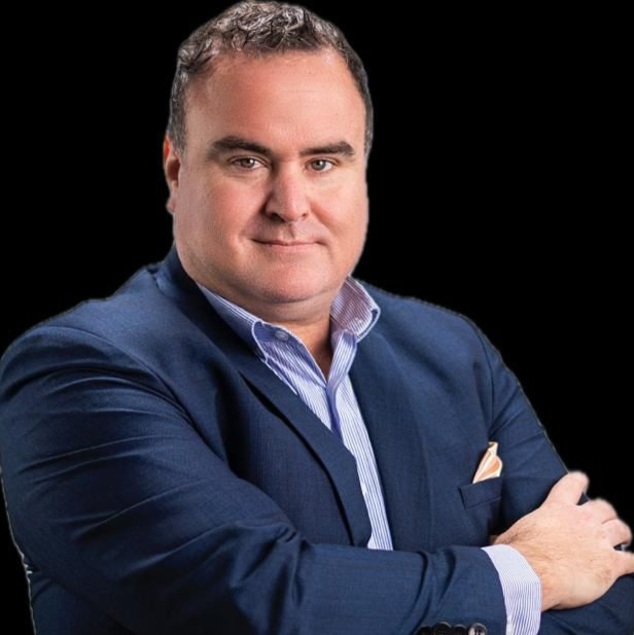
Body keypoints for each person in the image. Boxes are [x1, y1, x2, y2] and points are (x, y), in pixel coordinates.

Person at [0, 2, 632, 634]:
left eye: (323, 162)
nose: (291, 204)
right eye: (247, 161)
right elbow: (261, 601)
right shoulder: (78, 373)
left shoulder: (454, 351)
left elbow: (608, 594)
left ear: (362, 172)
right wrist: (522, 574)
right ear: (176, 170)